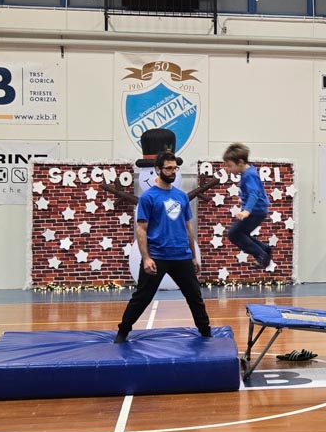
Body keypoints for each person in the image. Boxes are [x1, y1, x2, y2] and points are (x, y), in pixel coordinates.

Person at [114, 151, 211, 343]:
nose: (173, 171)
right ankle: (123, 331)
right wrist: (146, 258)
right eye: (168, 168)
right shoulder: (148, 197)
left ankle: (206, 332)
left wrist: (193, 256)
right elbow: (141, 229)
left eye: (175, 168)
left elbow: (188, 227)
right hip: (157, 256)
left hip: (182, 256)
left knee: (195, 297)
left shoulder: (181, 196)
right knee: (142, 297)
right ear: (158, 169)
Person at [223, 142, 272, 268]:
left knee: (233, 234)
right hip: (257, 210)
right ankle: (264, 250)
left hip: (256, 211)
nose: (229, 169)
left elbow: (254, 194)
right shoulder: (248, 172)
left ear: (240, 162)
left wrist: (247, 211)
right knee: (241, 234)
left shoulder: (250, 175)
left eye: (230, 166)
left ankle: (261, 255)